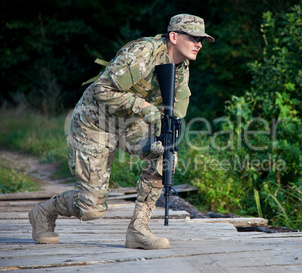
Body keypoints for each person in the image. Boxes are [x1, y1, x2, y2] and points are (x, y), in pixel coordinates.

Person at [28, 14, 215, 250]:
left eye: (202, 40)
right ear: (174, 36)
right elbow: (101, 89)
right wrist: (145, 108)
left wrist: (163, 139)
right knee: (91, 208)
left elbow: (172, 111)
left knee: (165, 156)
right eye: (194, 38)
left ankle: (139, 229)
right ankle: (44, 212)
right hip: (95, 122)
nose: (199, 44)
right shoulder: (143, 52)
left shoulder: (181, 69)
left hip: (130, 123)